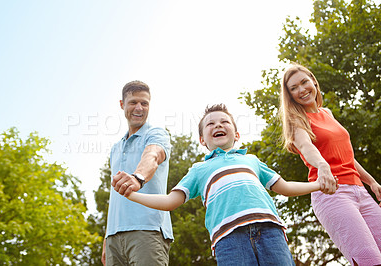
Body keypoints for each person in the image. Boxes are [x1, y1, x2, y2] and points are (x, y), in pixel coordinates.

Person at [124, 103, 326, 266]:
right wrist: (131, 194)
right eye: (211, 124)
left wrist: (319, 184)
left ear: (236, 135)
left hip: (270, 232)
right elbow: (170, 201)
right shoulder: (199, 169)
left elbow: (285, 187)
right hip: (229, 240)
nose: (218, 125)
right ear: (203, 140)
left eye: (224, 122)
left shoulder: (252, 161)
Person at [279, 63, 381, 265]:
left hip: (360, 192)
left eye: (304, 82)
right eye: (294, 88)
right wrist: (322, 166)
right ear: (289, 95)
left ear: (313, 82)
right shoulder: (296, 120)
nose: (301, 90)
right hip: (332, 194)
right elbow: (307, 147)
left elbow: (346, 155)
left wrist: (371, 182)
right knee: (369, 259)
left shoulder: (327, 114)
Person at [102, 80, 173, 266]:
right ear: (122, 104)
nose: (139, 108)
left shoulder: (156, 134)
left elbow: (153, 155)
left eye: (145, 103)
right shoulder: (116, 148)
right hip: (114, 239)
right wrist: (106, 237)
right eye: (133, 102)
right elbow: (115, 196)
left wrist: (138, 177)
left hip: (147, 231)